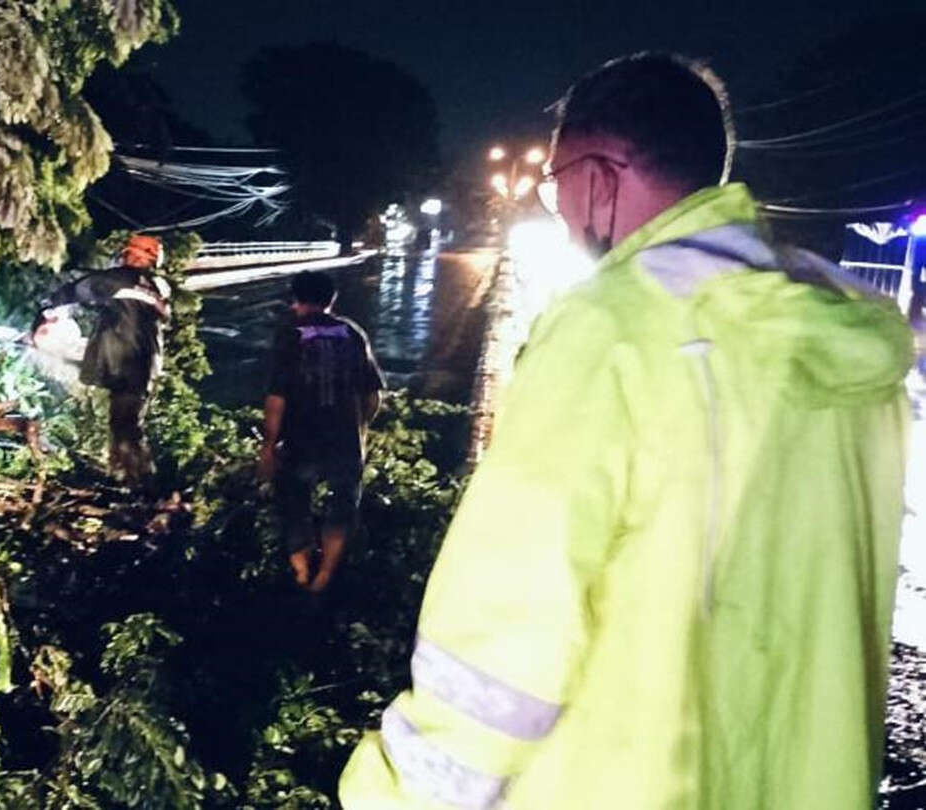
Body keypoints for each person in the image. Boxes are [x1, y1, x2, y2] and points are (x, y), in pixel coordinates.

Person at [340, 52, 914, 810]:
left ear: (597, 178)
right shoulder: (851, 343)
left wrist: (396, 793)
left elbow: (508, 629)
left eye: (555, 184)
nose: (559, 210)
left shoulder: (611, 328)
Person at [259, 270, 384, 592]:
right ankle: (325, 575)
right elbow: (373, 394)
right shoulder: (352, 332)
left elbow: (277, 396)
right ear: (332, 299)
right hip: (345, 437)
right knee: (342, 505)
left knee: (294, 501)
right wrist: (361, 428)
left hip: (302, 437)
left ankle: (301, 572)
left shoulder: (289, 333)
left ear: (295, 298)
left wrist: (269, 445)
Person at [35, 234, 171, 485]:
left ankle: (137, 482)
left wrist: (49, 307)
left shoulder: (120, 279)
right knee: (127, 421)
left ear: (133, 254)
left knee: (124, 426)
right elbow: (120, 309)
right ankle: (129, 478)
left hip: (123, 361)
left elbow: (82, 289)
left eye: (128, 252)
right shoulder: (158, 288)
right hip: (146, 365)